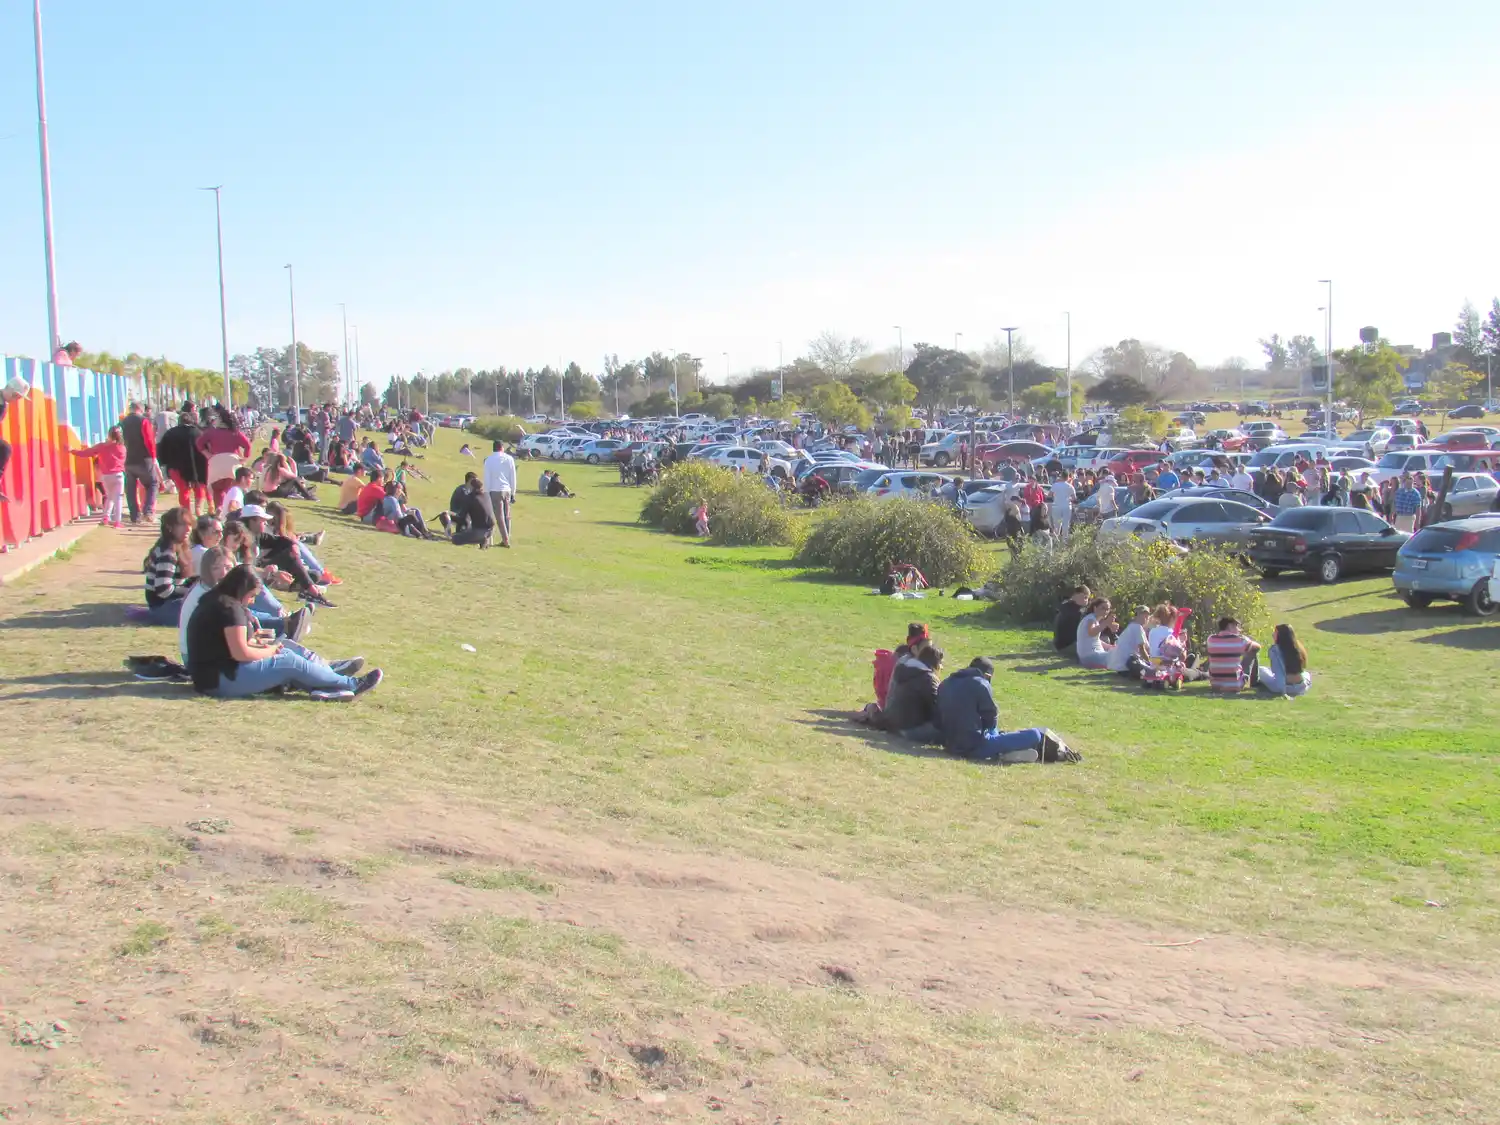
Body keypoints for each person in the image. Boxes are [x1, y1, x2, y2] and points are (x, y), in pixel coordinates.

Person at [185, 564, 381, 701]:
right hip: (219, 681)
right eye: (252, 596)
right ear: (242, 590)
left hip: (213, 676)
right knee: (287, 659)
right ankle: (350, 684)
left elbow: (224, 646)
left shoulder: (217, 600)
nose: (252, 601)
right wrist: (269, 651)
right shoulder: (230, 609)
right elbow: (240, 653)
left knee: (285, 649)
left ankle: (326, 683)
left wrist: (261, 644)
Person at [935, 657, 1050, 763]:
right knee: (1035, 735)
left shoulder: (945, 683)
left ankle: (1003, 751)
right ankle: (1003, 752)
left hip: (950, 744)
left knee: (995, 733)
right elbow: (990, 721)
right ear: (987, 675)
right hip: (973, 747)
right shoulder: (981, 684)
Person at [142, 508, 196, 625]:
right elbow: (164, 590)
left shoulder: (179, 548)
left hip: (167, 605)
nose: (188, 529)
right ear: (170, 527)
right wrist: (191, 591)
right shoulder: (168, 553)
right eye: (182, 525)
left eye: (189, 525)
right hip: (162, 607)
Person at [156, 407, 210, 517]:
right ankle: (198, 508)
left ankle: (186, 512)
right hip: (197, 467)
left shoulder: (170, 433)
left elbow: (161, 450)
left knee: (183, 490)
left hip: (177, 467)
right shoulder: (198, 433)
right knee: (199, 488)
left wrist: (164, 464)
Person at [197, 406, 253, 507]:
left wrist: (207, 454)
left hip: (216, 462)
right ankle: (232, 510)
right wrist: (245, 458)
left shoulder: (211, 432)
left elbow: (199, 443)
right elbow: (247, 445)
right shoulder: (235, 433)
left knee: (217, 490)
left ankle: (219, 510)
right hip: (232, 462)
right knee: (233, 490)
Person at [74, 426, 128, 527]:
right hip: (118, 475)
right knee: (118, 498)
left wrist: (72, 451)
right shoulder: (122, 448)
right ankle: (117, 521)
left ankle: (106, 517)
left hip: (106, 476)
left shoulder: (101, 447)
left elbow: (86, 453)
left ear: (109, 434)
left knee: (109, 497)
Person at [118, 401, 159, 524]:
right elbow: (149, 440)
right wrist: (153, 456)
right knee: (153, 483)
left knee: (130, 489)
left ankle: (134, 515)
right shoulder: (143, 421)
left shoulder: (122, 423)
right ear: (141, 409)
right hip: (144, 459)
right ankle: (148, 511)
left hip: (128, 459)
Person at [1205, 616, 1261, 692]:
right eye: (1236, 626)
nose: (1239, 630)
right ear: (1230, 626)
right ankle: (1254, 682)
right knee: (1253, 651)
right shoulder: (1240, 639)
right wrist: (1247, 641)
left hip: (1215, 685)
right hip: (1235, 685)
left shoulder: (1210, 639)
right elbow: (1258, 647)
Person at [1258, 623, 1311, 697]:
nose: (1273, 635)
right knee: (1306, 673)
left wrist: (1283, 692)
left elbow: (1278, 671)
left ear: (1281, 635)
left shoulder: (1275, 650)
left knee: (1261, 670)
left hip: (1285, 687)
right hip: (1301, 686)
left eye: (1275, 633)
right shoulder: (1298, 646)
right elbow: (1302, 668)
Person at [482, 440, 517, 547]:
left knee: (499, 516)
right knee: (507, 516)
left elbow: (487, 478)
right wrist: (513, 492)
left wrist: (486, 493)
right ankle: (506, 537)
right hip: (507, 489)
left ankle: (505, 540)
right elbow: (513, 476)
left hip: (495, 490)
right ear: (502, 448)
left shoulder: (489, 460)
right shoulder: (509, 459)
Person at [1107, 605, 1152, 677]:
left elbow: (1147, 648)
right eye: (1143, 615)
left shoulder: (1131, 626)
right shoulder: (1137, 627)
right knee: (1152, 672)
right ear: (1136, 616)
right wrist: (1151, 664)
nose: (1146, 618)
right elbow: (1142, 649)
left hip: (1121, 668)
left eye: (1147, 616)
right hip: (1128, 667)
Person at [1076, 597, 1116, 669]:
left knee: (1118, 653)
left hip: (1090, 656)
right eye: (1103, 608)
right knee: (1120, 657)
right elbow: (1091, 632)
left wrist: (1110, 647)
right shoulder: (1090, 619)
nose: (1106, 611)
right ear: (1095, 608)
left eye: (1107, 609)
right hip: (1091, 656)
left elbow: (1095, 639)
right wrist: (1106, 622)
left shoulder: (1094, 619)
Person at [1052, 585, 1091, 652]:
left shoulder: (1067, 607)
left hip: (1062, 645)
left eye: (1087, 598)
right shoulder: (1072, 610)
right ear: (1074, 596)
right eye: (1084, 597)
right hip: (1068, 646)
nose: (1086, 600)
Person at [1050, 472, 1076, 538]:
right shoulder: (1070, 486)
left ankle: (1056, 540)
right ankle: (1065, 540)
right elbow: (1074, 498)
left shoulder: (1055, 485)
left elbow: (1049, 495)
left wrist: (1055, 496)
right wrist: (1068, 498)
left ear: (1061, 476)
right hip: (1067, 507)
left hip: (1056, 506)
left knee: (1056, 525)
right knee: (1066, 524)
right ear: (1067, 477)